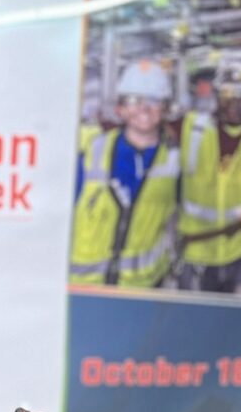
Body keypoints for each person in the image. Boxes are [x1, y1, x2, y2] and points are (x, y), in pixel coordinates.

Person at [70, 58, 181, 287]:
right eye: (133, 100)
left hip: (143, 287)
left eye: (154, 100)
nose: (144, 109)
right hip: (83, 285)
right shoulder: (91, 151)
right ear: (120, 107)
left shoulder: (175, 161)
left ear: (165, 108)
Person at [174, 59, 241, 294]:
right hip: (197, 251)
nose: (234, 103)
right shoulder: (192, 128)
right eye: (227, 94)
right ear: (216, 96)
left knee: (238, 315)